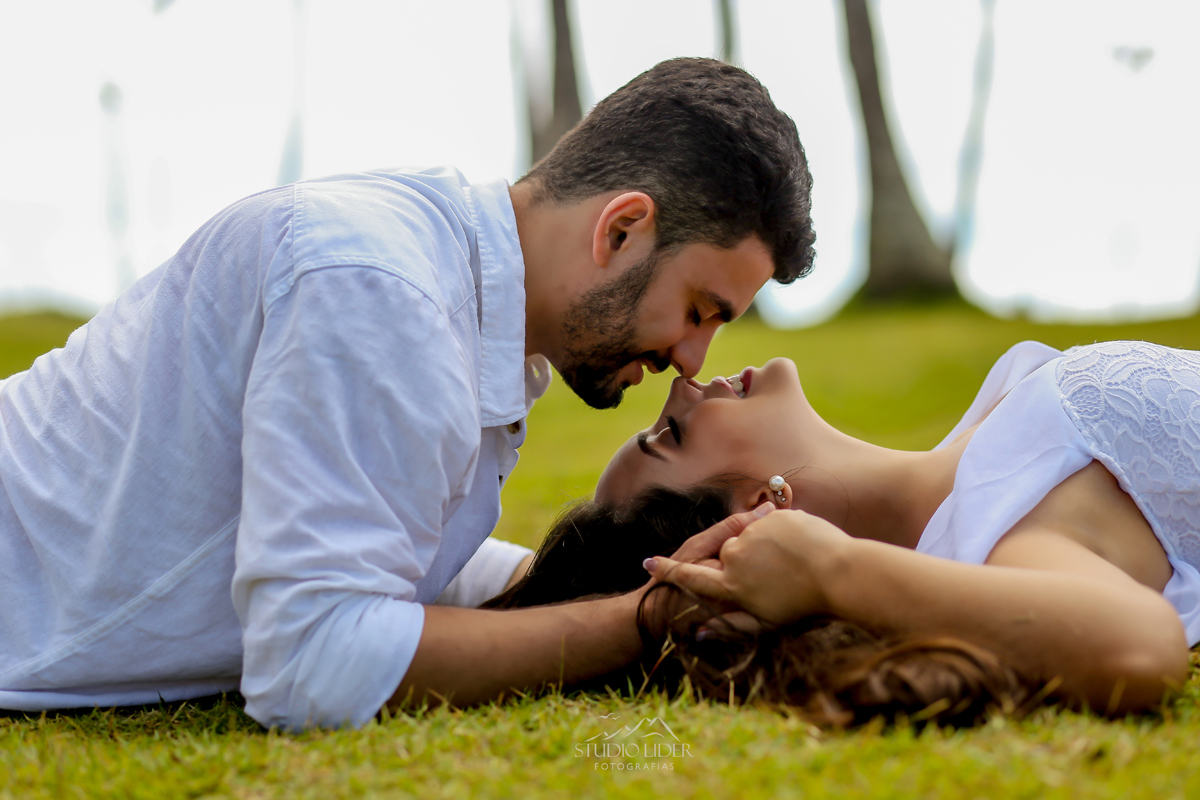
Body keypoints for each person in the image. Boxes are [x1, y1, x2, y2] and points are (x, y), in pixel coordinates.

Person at [0, 58, 816, 729]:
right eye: (699, 311)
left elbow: (391, 540)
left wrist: (642, 579)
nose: (691, 359)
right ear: (622, 229)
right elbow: (314, 667)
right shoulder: (385, 293)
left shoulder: (449, 291)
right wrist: (640, 620)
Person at [492, 340, 1197, 726]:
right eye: (671, 435)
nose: (681, 386)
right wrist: (832, 570)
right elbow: (1140, 646)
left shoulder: (983, 457)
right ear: (760, 516)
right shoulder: (1005, 526)